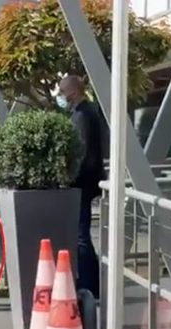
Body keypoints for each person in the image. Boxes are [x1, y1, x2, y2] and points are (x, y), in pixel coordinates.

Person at [57, 75, 106, 300]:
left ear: (74, 91)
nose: (61, 96)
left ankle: (90, 286)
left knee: (81, 236)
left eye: (63, 91)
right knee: (80, 236)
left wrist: (70, 179)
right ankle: (90, 284)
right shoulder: (80, 113)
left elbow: (85, 155)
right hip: (82, 185)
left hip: (82, 186)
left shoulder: (84, 115)